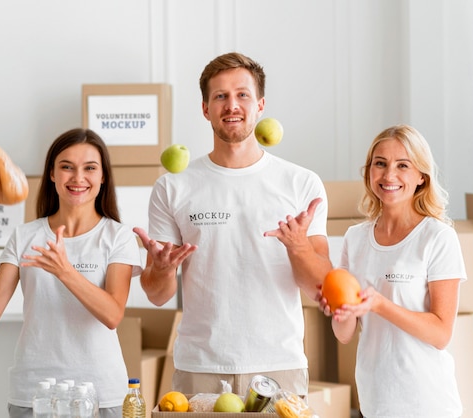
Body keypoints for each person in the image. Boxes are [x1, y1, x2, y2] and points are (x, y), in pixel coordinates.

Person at [133, 52, 332, 397]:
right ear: (205, 109)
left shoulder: (301, 183)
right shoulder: (173, 185)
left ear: (260, 105)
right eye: (220, 96)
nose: (232, 105)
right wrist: (163, 270)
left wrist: (298, 246)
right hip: (200, 366)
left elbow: (320, 285)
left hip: (278, 363)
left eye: (242, 95)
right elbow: (156, 293)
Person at [0, 128, 142, 418]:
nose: (78, 178)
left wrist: (65, 271)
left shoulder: (117, 236)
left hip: (101, 393)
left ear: (103, 176)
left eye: (90, 168)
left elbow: (112, 314)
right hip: (34, 394)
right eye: (66, 167)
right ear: (53, 174)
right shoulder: (26, 235)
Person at [319, 124, 466, 417]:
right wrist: (341, 313)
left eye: (403, 166)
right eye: (380, 164)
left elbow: (441, 333)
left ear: (421, 177)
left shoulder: (437, 237)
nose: (389, 175)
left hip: (427, 403)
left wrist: (382, 305)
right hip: (375, 401)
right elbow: (345, 335)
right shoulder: (355, 237)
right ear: (369, 172)